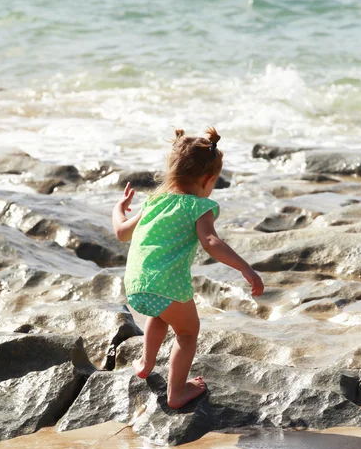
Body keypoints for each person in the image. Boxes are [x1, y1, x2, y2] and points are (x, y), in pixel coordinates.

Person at [112, 127, 264, 409]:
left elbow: (121, 232)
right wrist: (245, 268)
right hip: (168, 285)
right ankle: (177, 392)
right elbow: (210, 241)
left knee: (161, 314)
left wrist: (119, 207)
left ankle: (146, 364)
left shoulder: (154, 201)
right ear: (208, 179)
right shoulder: (199, 206)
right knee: (187, 332)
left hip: (135, 285)